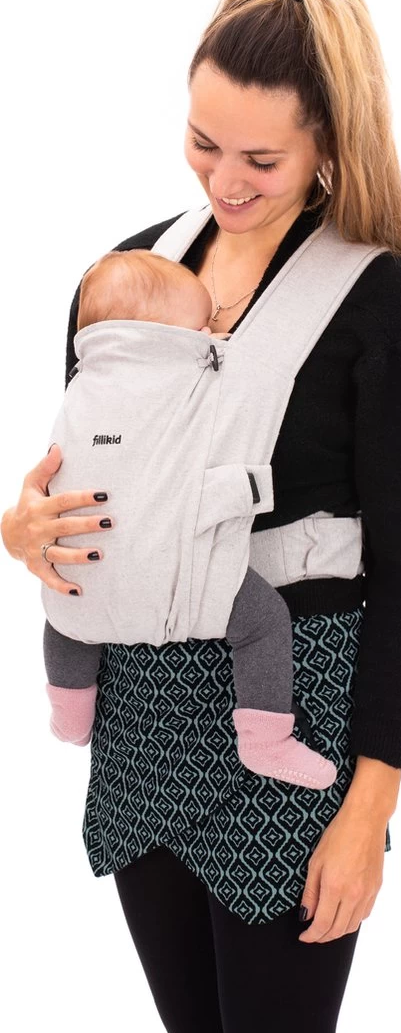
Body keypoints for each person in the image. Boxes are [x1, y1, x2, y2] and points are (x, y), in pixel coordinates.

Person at [2, 0, 401, 1033]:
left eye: (261, 159)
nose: (223, 179)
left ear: (328, 144)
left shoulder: (388, 308)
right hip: (142, 717)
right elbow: (86, 476)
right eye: (202, 143)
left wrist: (366, 807)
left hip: (293, 728)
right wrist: (25, 528)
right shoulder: (125, 277)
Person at [43, 245, 337, 790]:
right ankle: (266, 740)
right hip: (180, 576)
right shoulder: (191, 376)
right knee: (263, 622)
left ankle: (69, 711)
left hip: (80, 567)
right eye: (202, 327)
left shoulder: (85, 383)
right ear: (157, 335)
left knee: (67, 621)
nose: (211, 333)